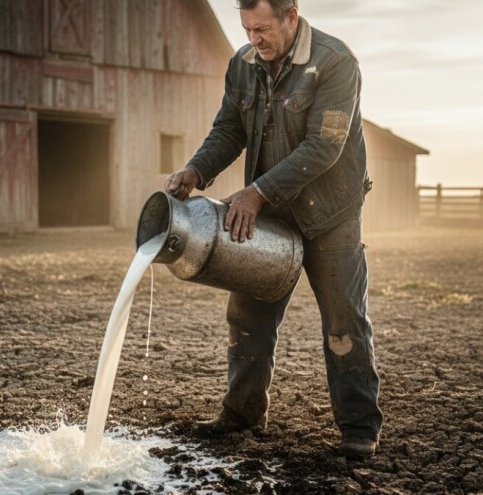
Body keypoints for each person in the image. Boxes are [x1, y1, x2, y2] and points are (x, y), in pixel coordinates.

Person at [164, 0, 383, 458]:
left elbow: (325, 145)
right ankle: (241, 414)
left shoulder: (336, 62)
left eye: (262, 28)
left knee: (343, 321)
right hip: (265, 210)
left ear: (291, 16)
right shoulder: (242, 64)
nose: (253, 39)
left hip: (329, 213)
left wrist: (256, 192)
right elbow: (228, 130)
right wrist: (196, 171)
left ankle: (359, 429)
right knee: (247, 315)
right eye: (246, 28)